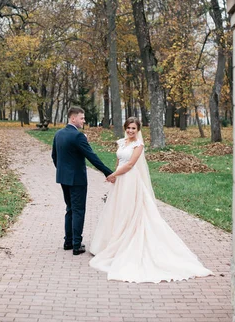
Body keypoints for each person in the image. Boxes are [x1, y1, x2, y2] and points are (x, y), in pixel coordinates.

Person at [89, 117, 212, 282]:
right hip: (120, 180)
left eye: (134, 128)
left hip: (130, 179)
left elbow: (131, 164)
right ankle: (112, 242)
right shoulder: (121, 142)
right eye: (129, 128)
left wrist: (113, 174)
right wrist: (115, 176)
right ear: (125, 128)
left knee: (130, 210)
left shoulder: (138, 145)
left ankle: (127, 242)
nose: (131, 131)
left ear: (138, 130)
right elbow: (119, 161)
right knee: (117, 209)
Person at [52, 107, 115, 255]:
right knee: (78, 210)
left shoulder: (58, 134)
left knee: (70, 209)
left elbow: (54, 156)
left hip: (63, 178)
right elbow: (92, 157)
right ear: (73, 119)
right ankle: (76, 245)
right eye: (82, 118)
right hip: (77, 179)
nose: (84, 121)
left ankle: (68, 242)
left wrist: (62, 171)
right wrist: (109, 173)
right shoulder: (78, 136)